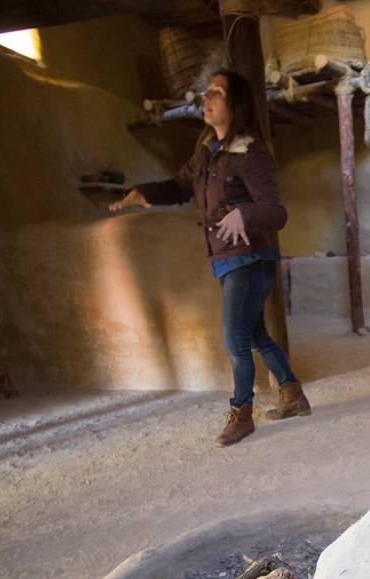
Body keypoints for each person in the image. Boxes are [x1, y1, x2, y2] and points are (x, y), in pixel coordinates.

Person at [109, 69, 309, 447]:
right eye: (207, 92)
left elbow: (276, 212)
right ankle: (293, 394)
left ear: (236, 105)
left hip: (250, 259)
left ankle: (241, 414)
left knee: (234, 338)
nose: (206, 98)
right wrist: (142, 192)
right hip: (224, 258)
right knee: (254, 334)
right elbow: (180, 187)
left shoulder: (251, 152)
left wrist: (244, 213)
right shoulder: (207, 151)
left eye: (216, 92)